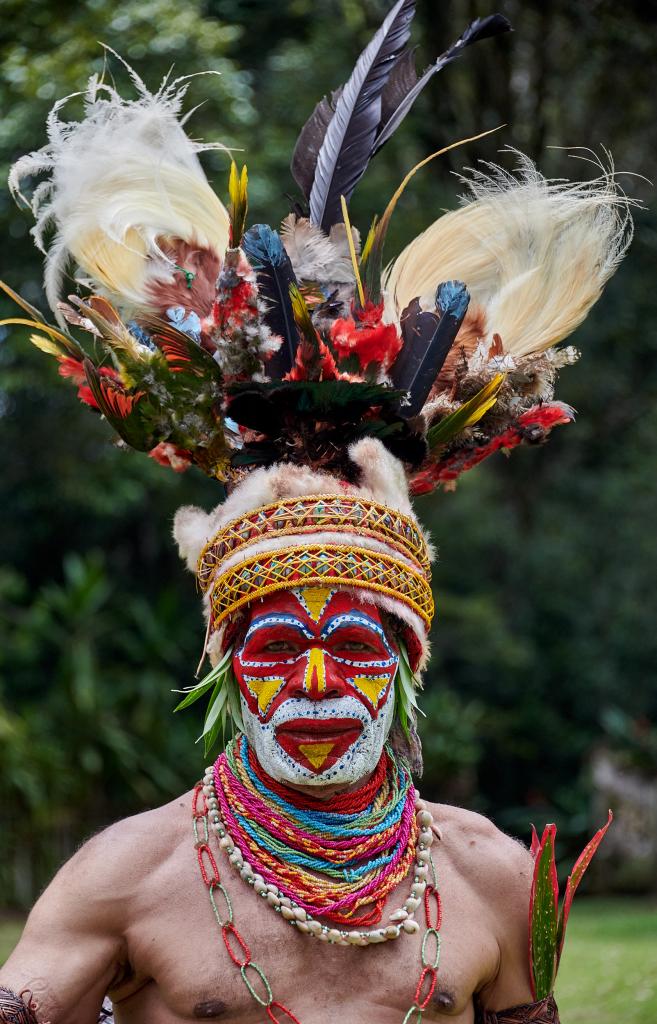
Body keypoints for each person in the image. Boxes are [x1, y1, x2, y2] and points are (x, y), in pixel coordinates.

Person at [1, 2, 630, 1021]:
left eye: (352, 639)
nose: (320, 680)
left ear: (407, 659)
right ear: (223, 663)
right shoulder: (129, 875)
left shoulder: (492, 877)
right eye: (278, 643)